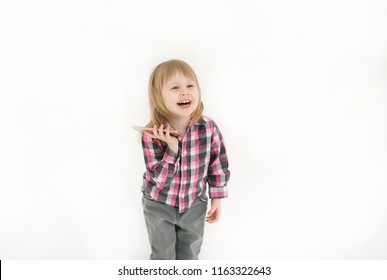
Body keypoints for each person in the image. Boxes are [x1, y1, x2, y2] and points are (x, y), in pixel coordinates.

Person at [140, 59, 230, 260]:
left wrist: (217, 197)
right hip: (159, 203)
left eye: (190, 86)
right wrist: (172, 149)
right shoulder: (151, 134)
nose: (184, 92)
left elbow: (218, 165)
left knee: (189, 255)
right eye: (175, 88)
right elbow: (160, 181)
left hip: (194, 204)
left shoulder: (208, 128)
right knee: (163, 255)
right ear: (158, 97)